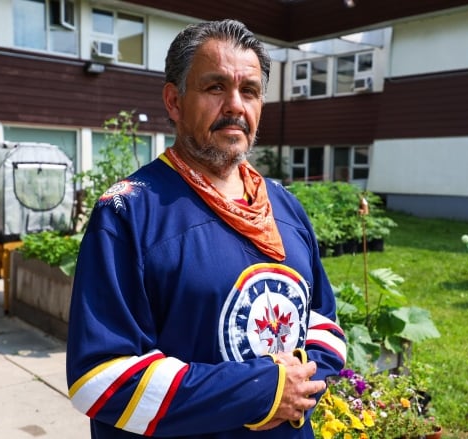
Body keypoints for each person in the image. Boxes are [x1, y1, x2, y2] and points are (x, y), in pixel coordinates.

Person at [66, 19, 346, 439]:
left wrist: (298, 387)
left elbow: (323, 322)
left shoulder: (286, 207)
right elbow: (101, 379)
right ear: (174, 101)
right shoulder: (128, 213)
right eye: (216, 87)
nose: (235, 105)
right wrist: (262, 391)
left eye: (249, 91)